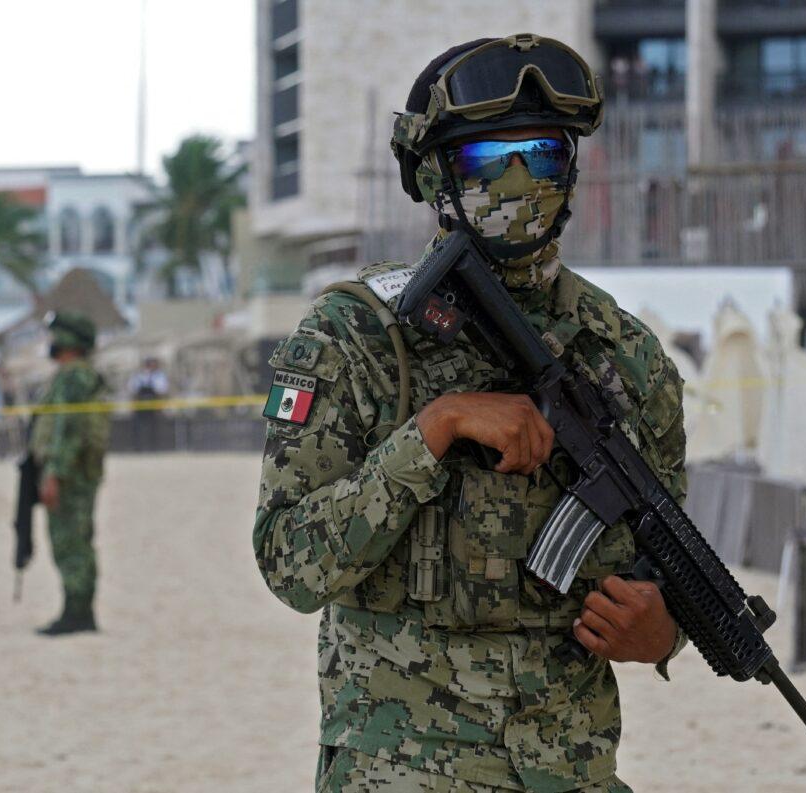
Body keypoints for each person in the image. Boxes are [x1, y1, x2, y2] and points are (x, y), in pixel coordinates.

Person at [253, 34, 688, 792]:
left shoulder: (628, 356)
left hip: (569, 769)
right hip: (400, 770)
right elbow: (292, 562)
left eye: (544, 157)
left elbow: (665, 554)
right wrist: (432, 431)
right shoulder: (354, 336)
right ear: (432, 178)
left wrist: (664, 630)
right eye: (491, 162)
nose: (521, 183)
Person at [29, 311, 110, 635]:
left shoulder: (73, 377)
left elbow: (69, 427)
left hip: (71, 475)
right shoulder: (82, 375)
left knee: (70, 543)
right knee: (79, 541)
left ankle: (77, 613)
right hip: (81, 472)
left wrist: (55, 474)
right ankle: (79, 611)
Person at [128, 356, 170, 449]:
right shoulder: (138, 376)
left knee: (155, 428)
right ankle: (138, 447)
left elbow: (162, 391)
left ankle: (155, 447)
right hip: (140, 406)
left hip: (155, 407)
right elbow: (133, 390)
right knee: (138, 428)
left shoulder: (160, 376)